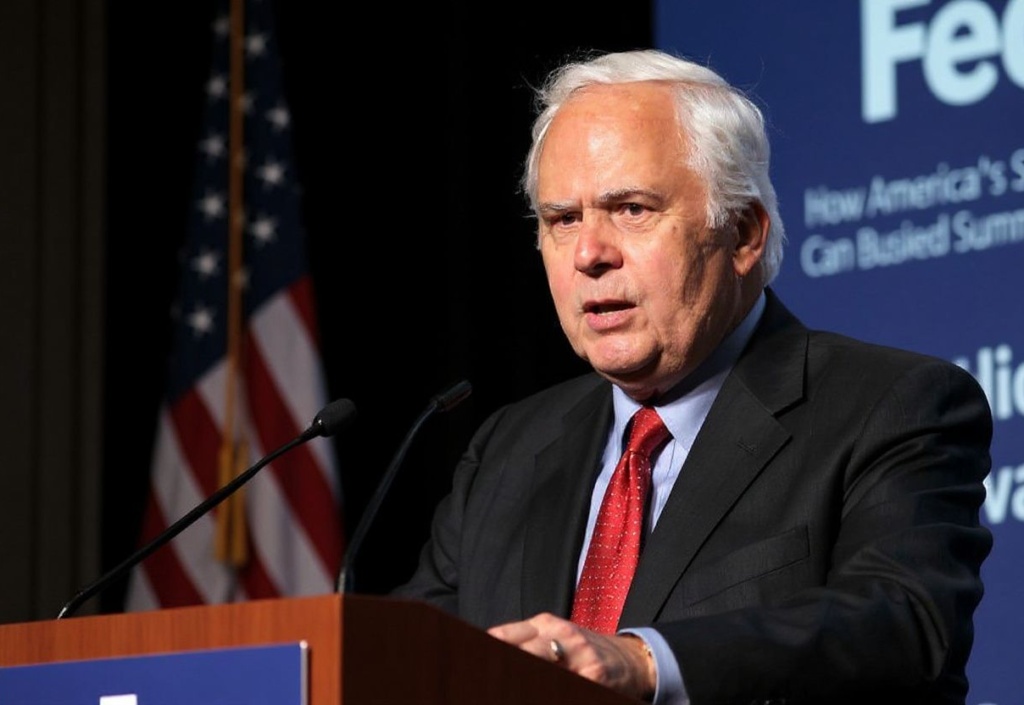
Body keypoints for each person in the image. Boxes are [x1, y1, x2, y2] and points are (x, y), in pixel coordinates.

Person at [393, 48, 993, 704]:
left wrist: (645, 662)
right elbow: (401, 654)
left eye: (631, 209)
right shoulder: (506, 450)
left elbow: (904, 623)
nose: (590, 253)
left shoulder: (890, 404)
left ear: (741, 235)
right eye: (563, 219)